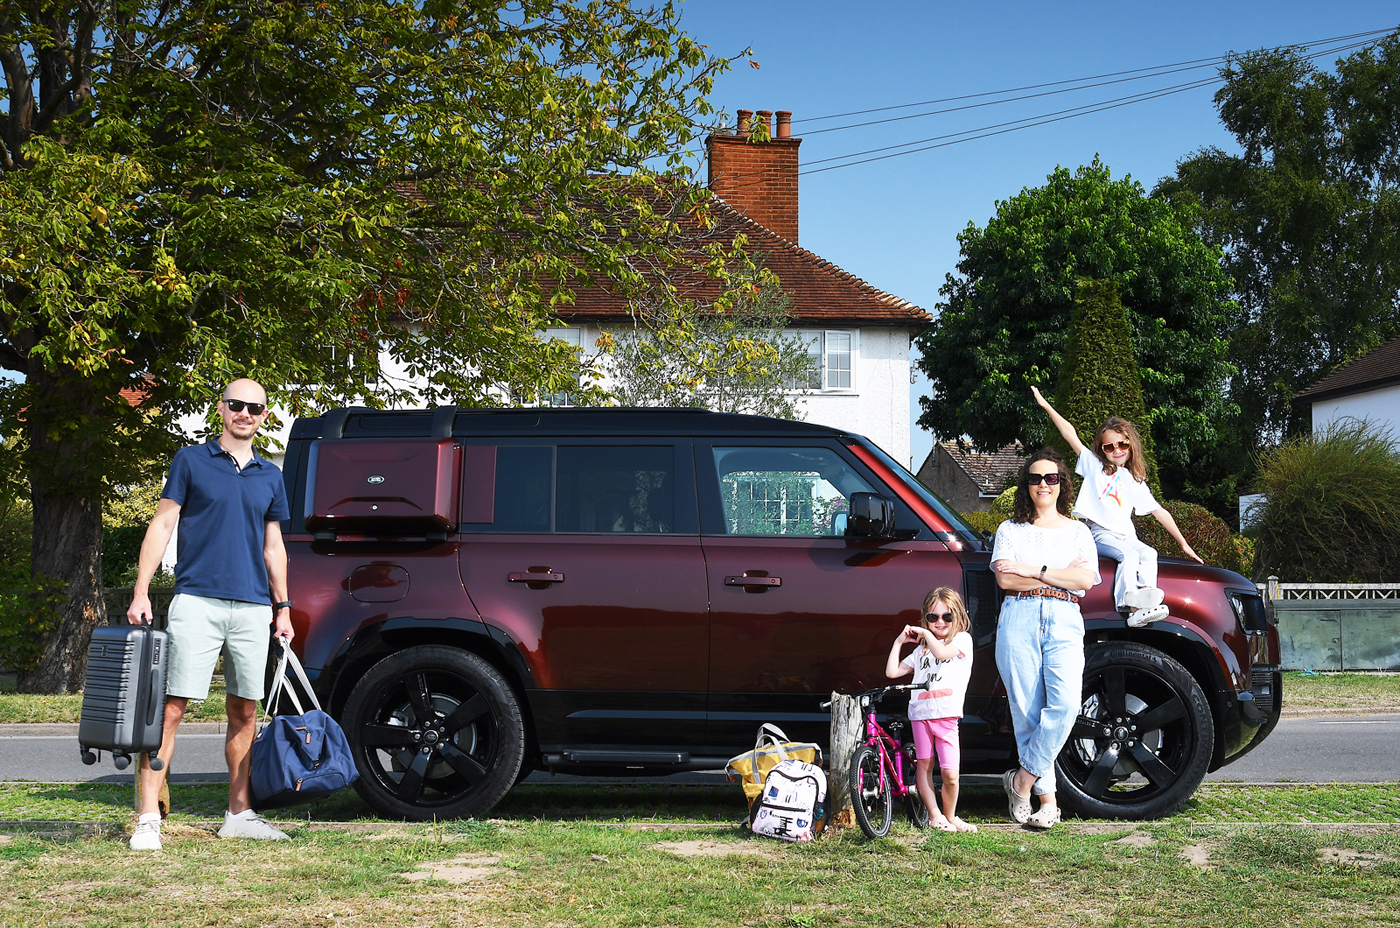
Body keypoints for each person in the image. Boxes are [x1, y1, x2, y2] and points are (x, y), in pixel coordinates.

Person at [126, 379, 294, 851]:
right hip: (197, 600)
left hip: (253, 606)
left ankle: (238, 813)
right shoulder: (191, 460)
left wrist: (282, 607)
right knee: (172, 708)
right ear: (221, 409)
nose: (245, 413)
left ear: (265, 415)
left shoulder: (269, 475)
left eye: (255, 408)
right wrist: (142, 591)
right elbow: (162, 524)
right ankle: (147, 819)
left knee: (245, 709)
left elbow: (273, 545)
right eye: (237, 405)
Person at [992, 449, 1100, 829]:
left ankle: (1021, 780)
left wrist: (1033, 568)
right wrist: (1056, 574)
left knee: (1066, 705)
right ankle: (1048, 803)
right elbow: (1006, 579)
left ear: (1062, 484)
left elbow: (1085, 581)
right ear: (1026, 485)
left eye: (1050, 478)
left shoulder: (1078, 532)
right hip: (1019, 615)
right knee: (1027, 714)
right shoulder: (1010, 530)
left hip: (1064, 619)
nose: (1043, 484)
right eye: (1035, 478)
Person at [1032, 387, 1202, 626]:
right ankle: (1129, 605)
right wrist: (1047, 406)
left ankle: (1146, 598)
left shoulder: (1134, 480)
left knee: (1148, 553)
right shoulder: (1094, 467)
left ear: (1130, 444)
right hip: (1101, 534)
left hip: (1126, 535)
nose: (1116, 451)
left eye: (1121, 445)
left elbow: (1159, 512)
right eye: (1109, 447)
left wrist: (1184, 544)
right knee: (1129, 555)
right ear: (1102, 450)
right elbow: (1070, 435)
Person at [884, 587, 977, 833]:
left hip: (947, 716)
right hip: (920, 715)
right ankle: (935, 815)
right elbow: (892, 672)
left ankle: (951, 815)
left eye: (947, 616)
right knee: (924, 765)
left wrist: (926, 633)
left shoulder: (961, 640)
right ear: (925, 617)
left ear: (957, 616)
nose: (940, 622)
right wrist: (898, 642)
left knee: (950, 774)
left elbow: (943, 652)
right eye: (932, 617)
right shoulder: (920, 651)